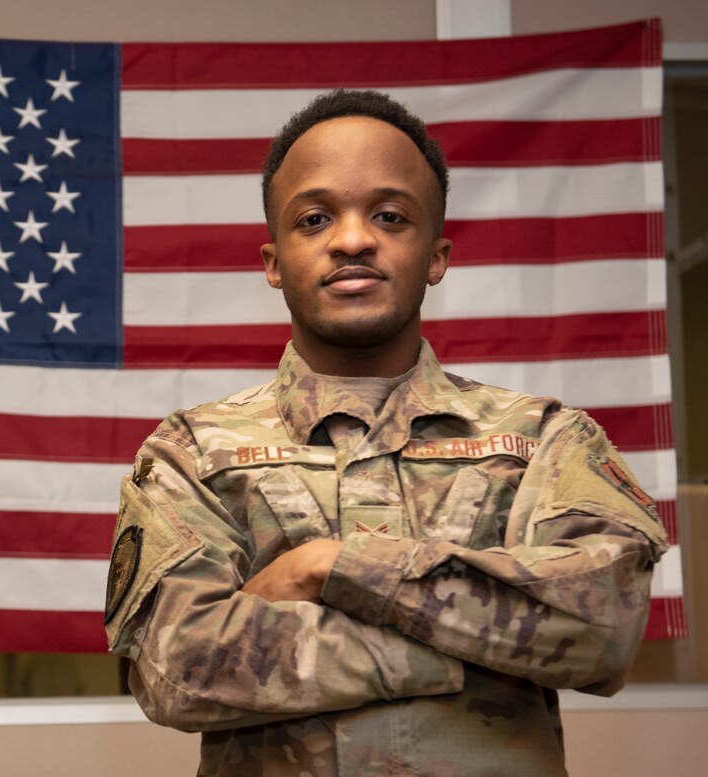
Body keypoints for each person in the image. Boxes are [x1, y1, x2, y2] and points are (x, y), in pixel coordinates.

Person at [103, 89, 668, 777]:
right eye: (314, 218)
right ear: (274, 261)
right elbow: (178, 668)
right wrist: (476, 643)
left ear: (436, 254)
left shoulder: (546, 438)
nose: (351, 239)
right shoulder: (192, 453)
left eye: (390, 215)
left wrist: (327, 566)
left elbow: (602, 630)